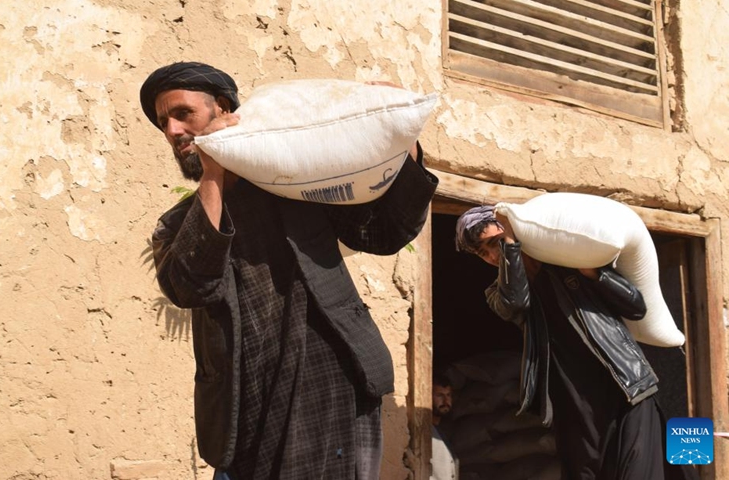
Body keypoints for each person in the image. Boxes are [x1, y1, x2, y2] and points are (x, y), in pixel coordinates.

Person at [140, 62, 438, 480]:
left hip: (332, 388)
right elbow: (191, 286)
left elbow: (384, 233)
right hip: (245, 412)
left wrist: (402, 138)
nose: (172, 131)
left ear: (222, 108)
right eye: (163, 123)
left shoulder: (296, 186)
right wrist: (213, 175)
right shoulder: (176, 225)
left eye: (182, 114)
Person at [454, 205, 694, 480]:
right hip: (575, 406)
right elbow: (516, 302)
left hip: (625, 391)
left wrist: (597, 275)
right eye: (483, 253)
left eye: (494, 243)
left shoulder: (571, 263)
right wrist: (508, 243)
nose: (492, 255)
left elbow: (637, 307)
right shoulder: (497, 294)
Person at [431, 375, 458, 480]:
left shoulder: (441, 431)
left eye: (448, 395)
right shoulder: (424, 432)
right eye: (440, 395)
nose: (446, 401)